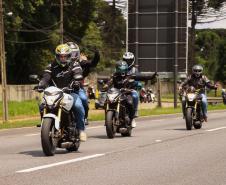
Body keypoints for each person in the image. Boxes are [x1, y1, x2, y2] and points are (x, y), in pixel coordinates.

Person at [38, 44, 87, 141]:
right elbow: (46, 77)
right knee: (42, 104)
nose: (63, 59)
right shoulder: (51, 65)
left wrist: (76, 82)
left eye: (65, 56)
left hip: (69, 92)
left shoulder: (74, 64)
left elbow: (78, 73)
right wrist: (41, 84)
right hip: (54, 93)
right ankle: (45, 125)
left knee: (78, 106)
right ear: (57, 56)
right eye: (60, 56)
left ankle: (81, 130)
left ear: (69, 56)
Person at [108, 60, 157, 128]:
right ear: (116, 69)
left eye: (123, 70)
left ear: (126, 69)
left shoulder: (130, 76)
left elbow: (141, 77)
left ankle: (131, 119)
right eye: (119, 70)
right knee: (107, 101)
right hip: (116, 94)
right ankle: (108, 121)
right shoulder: (114, 76)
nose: (121, 72)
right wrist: (105, 87)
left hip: (126, 93)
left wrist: (151, 76)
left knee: (129, 102)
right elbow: (108, 83)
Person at [66, 42, 100, 125]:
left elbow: (93, 63)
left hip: (76, 87)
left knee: (84, 99)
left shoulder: (82, 63)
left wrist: (97, 54)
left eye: (74, 53)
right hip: (62, 87)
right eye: (70, 53)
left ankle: (84, 117)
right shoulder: (60, 63)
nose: (72, 56)